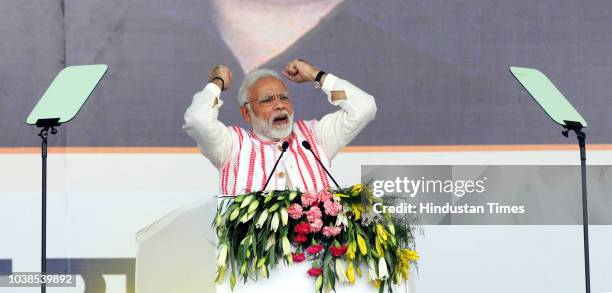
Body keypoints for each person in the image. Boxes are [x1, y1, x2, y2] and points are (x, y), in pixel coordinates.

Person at [183, 59, 376, 194]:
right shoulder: (231, 145)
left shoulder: (315, 136)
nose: (279, 104)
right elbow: (197, 119)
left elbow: (364, 107)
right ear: (246, 113)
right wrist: (217, 83)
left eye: (284, 97)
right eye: (267, 100)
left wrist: (317, 76)